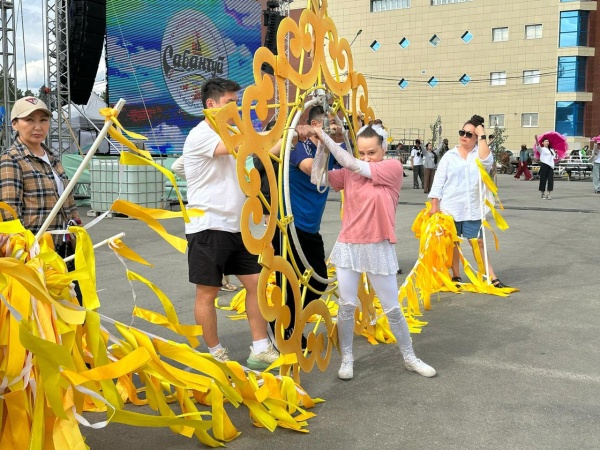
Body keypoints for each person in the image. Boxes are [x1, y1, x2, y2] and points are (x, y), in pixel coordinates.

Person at [310, 125, 436, 380]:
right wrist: (321, 146)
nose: (367, 158)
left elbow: (353, 164)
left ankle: (410, 357)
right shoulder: (349, 172)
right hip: (349, 245)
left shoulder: (392, 168)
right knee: (346, 306)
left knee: (392, 308)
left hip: (379, 245)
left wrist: (324, 136)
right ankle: (347, 358)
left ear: (384, 149)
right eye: (362, 152)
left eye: (372, 152)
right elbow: (317, 178)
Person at [179, 77, 279, 369]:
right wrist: (276, 129)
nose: (236, 109)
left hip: (238, 227)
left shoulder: (233, 132)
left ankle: (260, 348)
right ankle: (215, 353)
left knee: (256, 284)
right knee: (207, 293)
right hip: (208, 226)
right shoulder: (201, 135)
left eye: (238, 103)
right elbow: (243, 144)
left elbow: (259, 150)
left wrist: (290, 133)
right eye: (230, 103)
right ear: (211, 104)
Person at [274, 105, 340, 345]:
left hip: (310, 229)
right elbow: (312, 171)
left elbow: (355, 161)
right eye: (331, 123)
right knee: (289, 285)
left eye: (337, 123)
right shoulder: (299, 146)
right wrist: (325, 142)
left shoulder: (331, 148)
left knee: (317, 281)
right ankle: (285, 331)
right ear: (315, 125)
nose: (335, 127)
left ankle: (290, 323)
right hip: (290, 227)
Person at [428, 115, 507, 289]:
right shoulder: (449, 156)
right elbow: (438, 182)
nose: (464, 136)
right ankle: (456, 275)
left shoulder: (479, 154)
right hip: (450, 207)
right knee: (454, 243)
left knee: (478, 242)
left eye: (469, 134)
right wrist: (434, 205)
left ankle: (491, 276)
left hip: (473, 207)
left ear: (476, 138)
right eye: (462, 132)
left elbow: (487, 161)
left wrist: (482, 134)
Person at [0, 96, 81, 254]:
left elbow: (70, 205)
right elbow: (10, 213)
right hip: (35, 251)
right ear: (15, 124)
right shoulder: (11, 159)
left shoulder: (52, 158)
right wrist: (22, 250)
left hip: (65, 248)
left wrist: (79, 235)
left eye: (43, 120)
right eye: (29, 120)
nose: (38, 127)